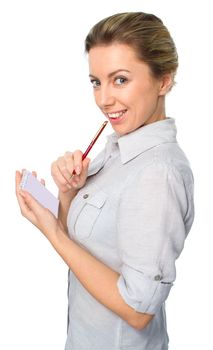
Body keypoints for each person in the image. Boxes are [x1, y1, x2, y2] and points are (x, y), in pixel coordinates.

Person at [15, 11, 194, 350]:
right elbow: (83, 244)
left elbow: (138, 309)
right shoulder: (116, 148)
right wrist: (68, 194)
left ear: (164, 80)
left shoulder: (157, 174)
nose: (103, 99)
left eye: (120, 80)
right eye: (96, 82)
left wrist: (51, 231)